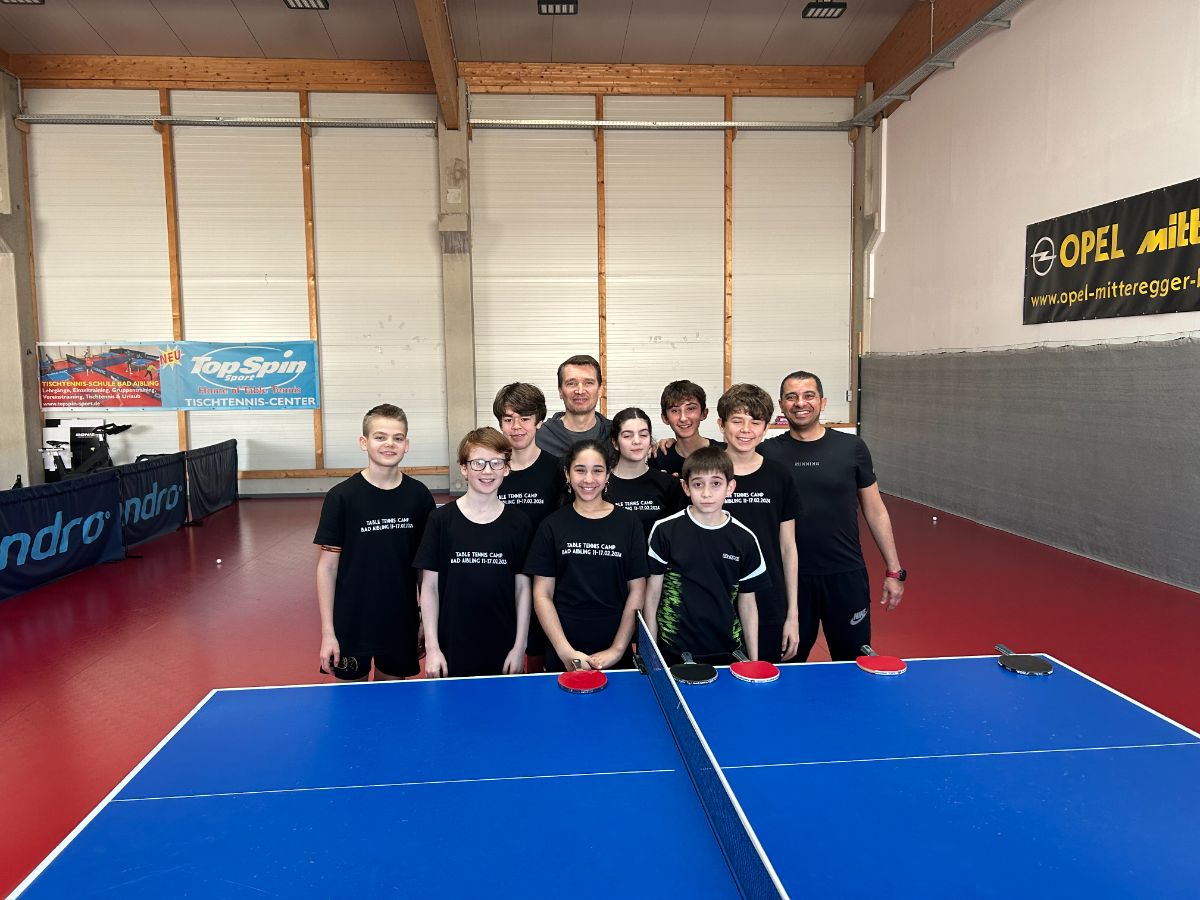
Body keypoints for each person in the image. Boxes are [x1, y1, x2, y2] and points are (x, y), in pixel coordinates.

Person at [759, 370, 906, 662]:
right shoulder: (766, 453)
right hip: (789, 579)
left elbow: (875, 509)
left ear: (823, 402)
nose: (800, 403)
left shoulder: (852, 448)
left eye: (809, 395)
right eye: (791, 397)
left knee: (852, 662)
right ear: (782, 404)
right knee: (786, 664)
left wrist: (894, 570)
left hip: (845, 575)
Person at [314, 404, 435, 681]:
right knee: (351, 701)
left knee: (391, 699)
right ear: (364, 442)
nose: (389, 444)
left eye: (397, 438)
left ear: (406, 445)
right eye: (380, 437)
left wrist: (426, 622)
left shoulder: (419, 496)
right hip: (350, 623)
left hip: (400, 619)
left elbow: (424, 569)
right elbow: (327, 567)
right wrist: (328, 632)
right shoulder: (341, 497)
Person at [415, 427, 533, 678]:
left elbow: (523, 589)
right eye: (478, 463)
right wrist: (433, 648)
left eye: (496, 463)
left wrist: (519, 646)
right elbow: (430, 587)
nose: (487, 471)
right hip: (451, 646)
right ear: (464, 468)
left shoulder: (519, 523)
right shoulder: (440, 520)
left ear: (506, 468)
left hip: (503, 646)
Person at [524, 440, 648, 671]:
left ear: (608, 475)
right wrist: (565, 652)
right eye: (580, 470)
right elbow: (542, 593)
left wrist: (617, 650)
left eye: (597, 471)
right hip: (563, 649)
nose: (588, 479)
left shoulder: (629, 524)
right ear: (567, 474)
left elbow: (637, 590)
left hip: (613, 649)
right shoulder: (551, 526)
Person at [643, 446, 769, 666]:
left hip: (727, 651)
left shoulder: (745, 539)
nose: (707, 493)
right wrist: (652, 654)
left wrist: (754, 661)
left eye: (716, 484)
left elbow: (748, 604)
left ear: (730, 487)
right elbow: (652, 597)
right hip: (674, 651)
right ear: (686, 487)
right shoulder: (664, 530)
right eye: (698, 484)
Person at [716, 384, 800, 665]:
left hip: (768, 602)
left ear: (765, 428)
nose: (746, 430)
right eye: (737, 420)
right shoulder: (705, 474)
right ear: (721, 424)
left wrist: (792, 614)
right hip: (715, 602)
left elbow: (788, 547)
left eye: (755, 422)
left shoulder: (779, 475)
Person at [492, 382, 565, 672]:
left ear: (539, 422)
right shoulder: (490, 471)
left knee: (536, 663)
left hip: (544, 585)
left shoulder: (558, 470)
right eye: (508, 419)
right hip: (499, 581)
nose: (516, 427)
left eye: (524, 418)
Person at [605, 406, 686, 539]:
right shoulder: (601, 484)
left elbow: (678, 534)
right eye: (627, 436)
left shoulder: (669, 484)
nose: (637, 441)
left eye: (643, 435)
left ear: (650, 440)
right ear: (615, 443)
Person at [535, 354, 611, 458]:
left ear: (600, 390)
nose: (580, 391)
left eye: (588, 383)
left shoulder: (615, 435)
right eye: (571, 383)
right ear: (560, 391)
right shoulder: (540, 437)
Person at [649, 380, 726, 478]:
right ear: (665, 418)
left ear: (704, 413)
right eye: (675, 410)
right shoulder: (658, 458)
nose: (683, 418)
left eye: (690, 409)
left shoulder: (725, 453)